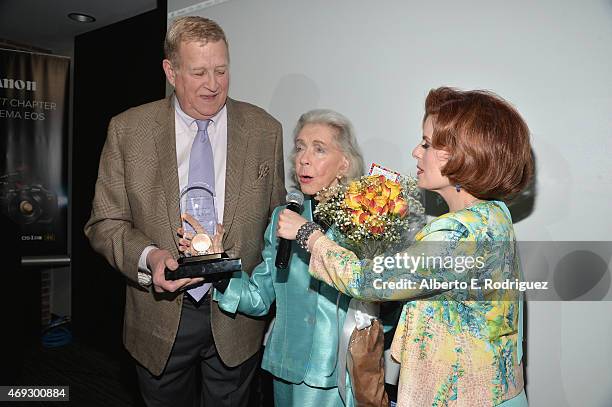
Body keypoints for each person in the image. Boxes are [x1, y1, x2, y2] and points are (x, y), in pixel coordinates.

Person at [277, 87, 533, 406]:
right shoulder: (493, 215)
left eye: (426, 144)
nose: (416, 151)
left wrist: (309, 236)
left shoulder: (457, 233)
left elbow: (367, 281)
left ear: (462, 157)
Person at [84, 16, 285, 407]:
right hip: (159, 319)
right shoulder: (127, 130)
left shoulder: (265, 130)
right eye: (198, 72)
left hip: (238, 318)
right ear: (170, 71)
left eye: (221, 70)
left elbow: (275, 223)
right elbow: (105, 222)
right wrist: (151, 257)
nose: (213, 84)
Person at [198, 109, 364, 406]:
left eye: (319, 149)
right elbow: (260, 297)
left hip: (337, 373)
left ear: (344, 164)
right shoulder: (283, 217)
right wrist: (218, 266)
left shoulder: (365, 220)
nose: (303, 158)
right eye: (300, 147)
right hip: (284, 365)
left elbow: (377, 296)